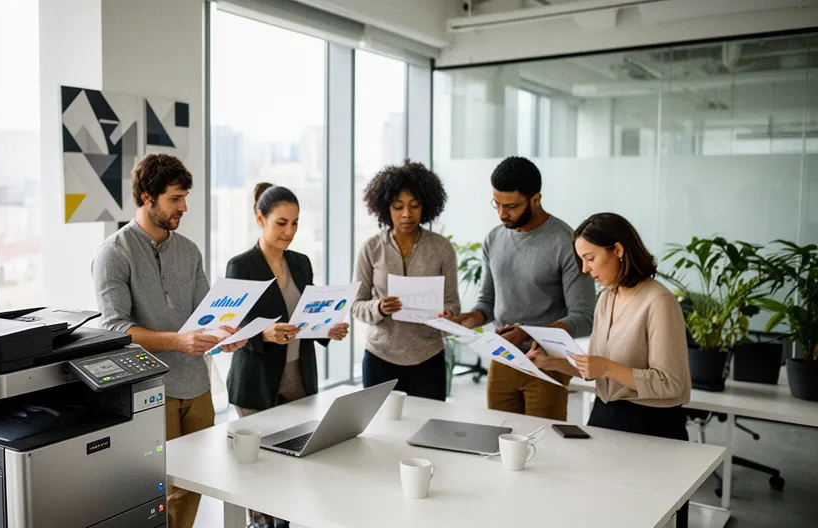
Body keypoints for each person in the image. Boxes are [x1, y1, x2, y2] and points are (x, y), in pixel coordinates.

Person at [91, 153, 247, 528]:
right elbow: (114, 328)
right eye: (176, 198)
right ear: (148, 197)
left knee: (195, 482)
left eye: (185, 197)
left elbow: (206, 314)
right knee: (156, 488)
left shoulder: (189, 251)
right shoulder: (114, 253)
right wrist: (178, 342)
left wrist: (226, 335)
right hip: (150, 390)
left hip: (196, 386)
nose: (185, 207)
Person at [527, 212, 691, 528]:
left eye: (589, 258)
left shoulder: (659, 302)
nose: (585, 269)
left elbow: (672, 383)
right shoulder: (608, 298)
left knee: (641, 516)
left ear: (618, 250)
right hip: (606, 416)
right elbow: (596, 367)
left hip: (652, 426)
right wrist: (551, 363)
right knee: (598, 511)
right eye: (581, 260)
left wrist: (608, 368)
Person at [225, 183, 349, 528]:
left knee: (296, 455)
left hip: (297, 371)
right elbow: (230, 326)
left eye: (295, 223)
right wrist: (262, 332)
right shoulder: (242, 266)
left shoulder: (301, 262)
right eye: (281, 223)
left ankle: (288, 518)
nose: (289, 232)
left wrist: (326, 329)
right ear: (260, 218)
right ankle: (261, 522)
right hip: (256, 375)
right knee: (260, 463)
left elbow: (305, 318)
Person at [452, 156, 595, 420]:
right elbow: (487, 303)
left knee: (544, 446)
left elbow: (584, 318)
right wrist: (468, 319)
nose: (502, 214)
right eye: (497, 204)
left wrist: (526, 332)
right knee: (499, 437)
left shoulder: (565, 243)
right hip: (502, 358)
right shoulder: (494, 239)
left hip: (547, 362)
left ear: (536, 199)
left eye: (512, 206)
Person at [351, 160, 460, 401]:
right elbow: (356, 305)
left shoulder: (442, 248)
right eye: (398, 206)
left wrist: (447, 315)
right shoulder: (371, 248)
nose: (406, 214)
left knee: (429, 429)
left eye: (414, 205)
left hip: (428, 357)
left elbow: (452, 303)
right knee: (379, 430)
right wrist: (378, 307)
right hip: (380, 357)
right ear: (386, 208)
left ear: (427, 206)